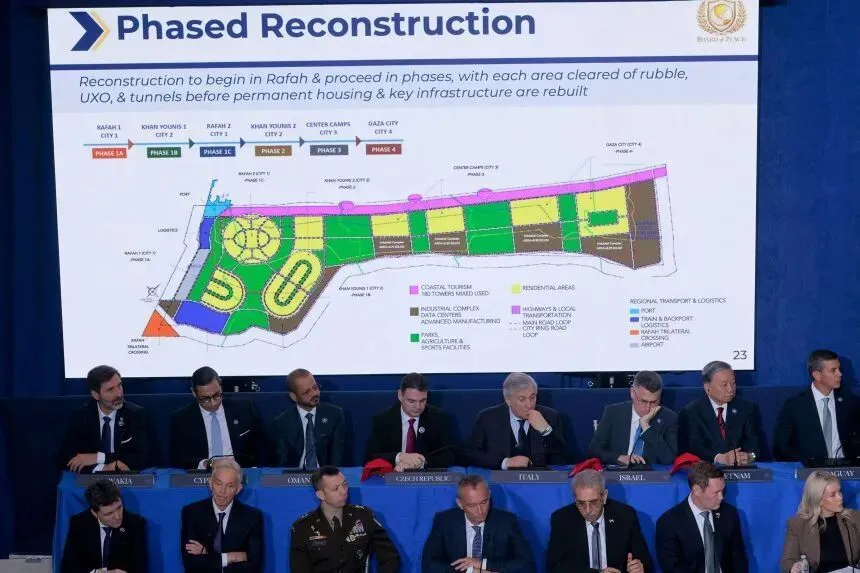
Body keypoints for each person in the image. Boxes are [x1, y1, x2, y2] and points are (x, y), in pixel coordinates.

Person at [290, 465, 400, 573]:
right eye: (335, 488)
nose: (343, 491)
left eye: (345, 485)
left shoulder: (363, 516)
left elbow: (390, 557)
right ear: (321, 495)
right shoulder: (302, 527)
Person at [422, 474, 535, 573]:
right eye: (472, 506)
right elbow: (429, 565)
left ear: (489, 496)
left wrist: (483, 565)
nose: (480, 511)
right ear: (460, 504)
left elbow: (527, 564)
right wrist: (470, 571)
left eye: (484, 502)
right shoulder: (444, 521)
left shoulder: (507, 521)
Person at [547, 469, 652, 573]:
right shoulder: (562, 519)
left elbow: (644, 559)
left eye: (593, 502)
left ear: (604, 496)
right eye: (581, 503)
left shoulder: (625, 516)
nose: (587, 510)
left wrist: (639, 566)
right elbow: (554, 566)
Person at [656, 461, 748, 573]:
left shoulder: (729, 514)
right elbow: (672, 568)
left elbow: (738, 559)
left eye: (722, 491)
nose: (721, 497)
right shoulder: (669, 523)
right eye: (716, 492)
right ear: (697, 490)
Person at [58, 365, 150, 473]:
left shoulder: (135, 415)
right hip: (92, 479)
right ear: (96, 395)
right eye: (110, 389)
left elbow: (143, 458)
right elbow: (68, 458)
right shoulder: (82, 417)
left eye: (119, 385)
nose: (119, 394)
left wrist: (99, 457)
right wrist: (103, 468)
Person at [169, 366, 264, 469]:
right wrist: (207, 464)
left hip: (240, 472)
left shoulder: (245, 409)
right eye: (205, 398)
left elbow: (262, 446)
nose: (213, 403)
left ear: (221, 386)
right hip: (203, 474)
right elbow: (178, 458)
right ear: (194, 393)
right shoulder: (182, 419)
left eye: (217, 395)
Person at [466, 372, 567, 469]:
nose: (529, 405)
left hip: (540, 478)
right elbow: (471, 454)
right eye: (522, 399)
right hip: (502, 479)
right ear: (508, 400)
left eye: (532, 397)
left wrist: (546, 431)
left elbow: (562, 458)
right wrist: (505, 462)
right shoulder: (488, 418)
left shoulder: (550, 416)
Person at [774, 349, 860, 462]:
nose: (839, 374)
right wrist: (807, 463)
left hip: (846, 467)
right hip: (810, 469)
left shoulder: (851, 403)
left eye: (839, 369)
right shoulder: (794, 406)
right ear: (817, 375)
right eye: (833, 370)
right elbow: (780, 447)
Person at [180, 459, 263, 572]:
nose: (222, 491)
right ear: (210, 483)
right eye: (218, 484)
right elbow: (191, 563)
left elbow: (254, 566)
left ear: (238, 489)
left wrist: (207, 555)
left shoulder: (252, 517)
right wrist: (232, 557)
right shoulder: (191, 513)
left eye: (229, 486)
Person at [364, 373, 457, 470]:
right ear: (400, 395)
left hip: (426, 475)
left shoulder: (439, 418)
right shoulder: (383, 420)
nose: (418, 407)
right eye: (412, 401)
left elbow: (452, 454)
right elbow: (370, 457)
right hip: (394, 475)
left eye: (422, 400)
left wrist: (422, 462)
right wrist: (399, 457)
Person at [589, 370, 679, 466]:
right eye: (643, 401)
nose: (648, 408)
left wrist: (646, 428)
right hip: (619, 472)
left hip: (653, 473)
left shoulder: (669, 418)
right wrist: (618, 458)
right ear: (632, 392)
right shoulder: (613, 413)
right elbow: (594, 450)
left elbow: (669, 459)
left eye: (653, 402)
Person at [678, 361, 761, 466]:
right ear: (707, 387)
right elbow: (693, 448)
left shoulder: (746, 408)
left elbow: (755, 446)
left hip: (741, 469)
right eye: (724, 384)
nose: (730, 389)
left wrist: (750, 456)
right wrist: (718, 458)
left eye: (733, 383)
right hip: (707, 470)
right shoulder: (691, 412)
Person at [60, 479, 147, 573]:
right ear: (94, 513)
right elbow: (68, 567)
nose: (117, 516)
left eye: (119, 507)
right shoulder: (79, 523)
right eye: (109, 513)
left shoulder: (135, 524)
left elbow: (139, 568)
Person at [780, 471, 860, 573]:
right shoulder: (798, 525)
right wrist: (794, 567)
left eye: (840, 492)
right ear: (818, 499)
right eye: (833, 495)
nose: (840, 497)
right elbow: (788, 561)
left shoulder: (854, 518)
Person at [269, 369, 346, 468]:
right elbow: (282, 462)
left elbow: (337, 457)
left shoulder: (335, 415)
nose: (314, 393)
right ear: (294, 397)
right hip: (294, 474)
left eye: (315, 387)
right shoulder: (282, 422)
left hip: (325, 473)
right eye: (306, 392)